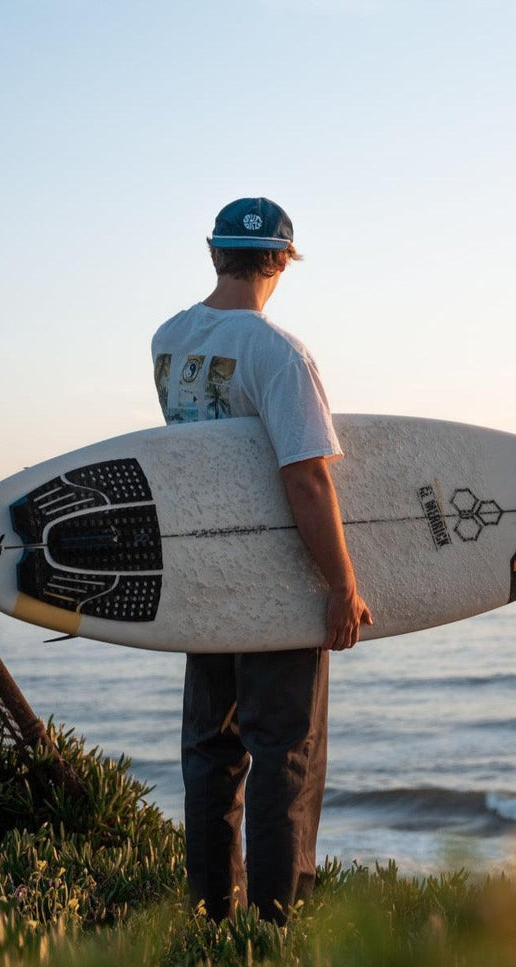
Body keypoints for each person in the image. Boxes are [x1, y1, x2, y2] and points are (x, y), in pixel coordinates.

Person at [151, 197, 372, 924]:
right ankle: (279, 928)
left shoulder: (168, 341)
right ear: (281, 261)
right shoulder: (280, 355)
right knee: (285, 758)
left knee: (211, 753)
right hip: (276, 586)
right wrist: (340, 586)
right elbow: (305, 476)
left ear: (214, 254)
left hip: (204, 578)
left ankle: (213, 916)